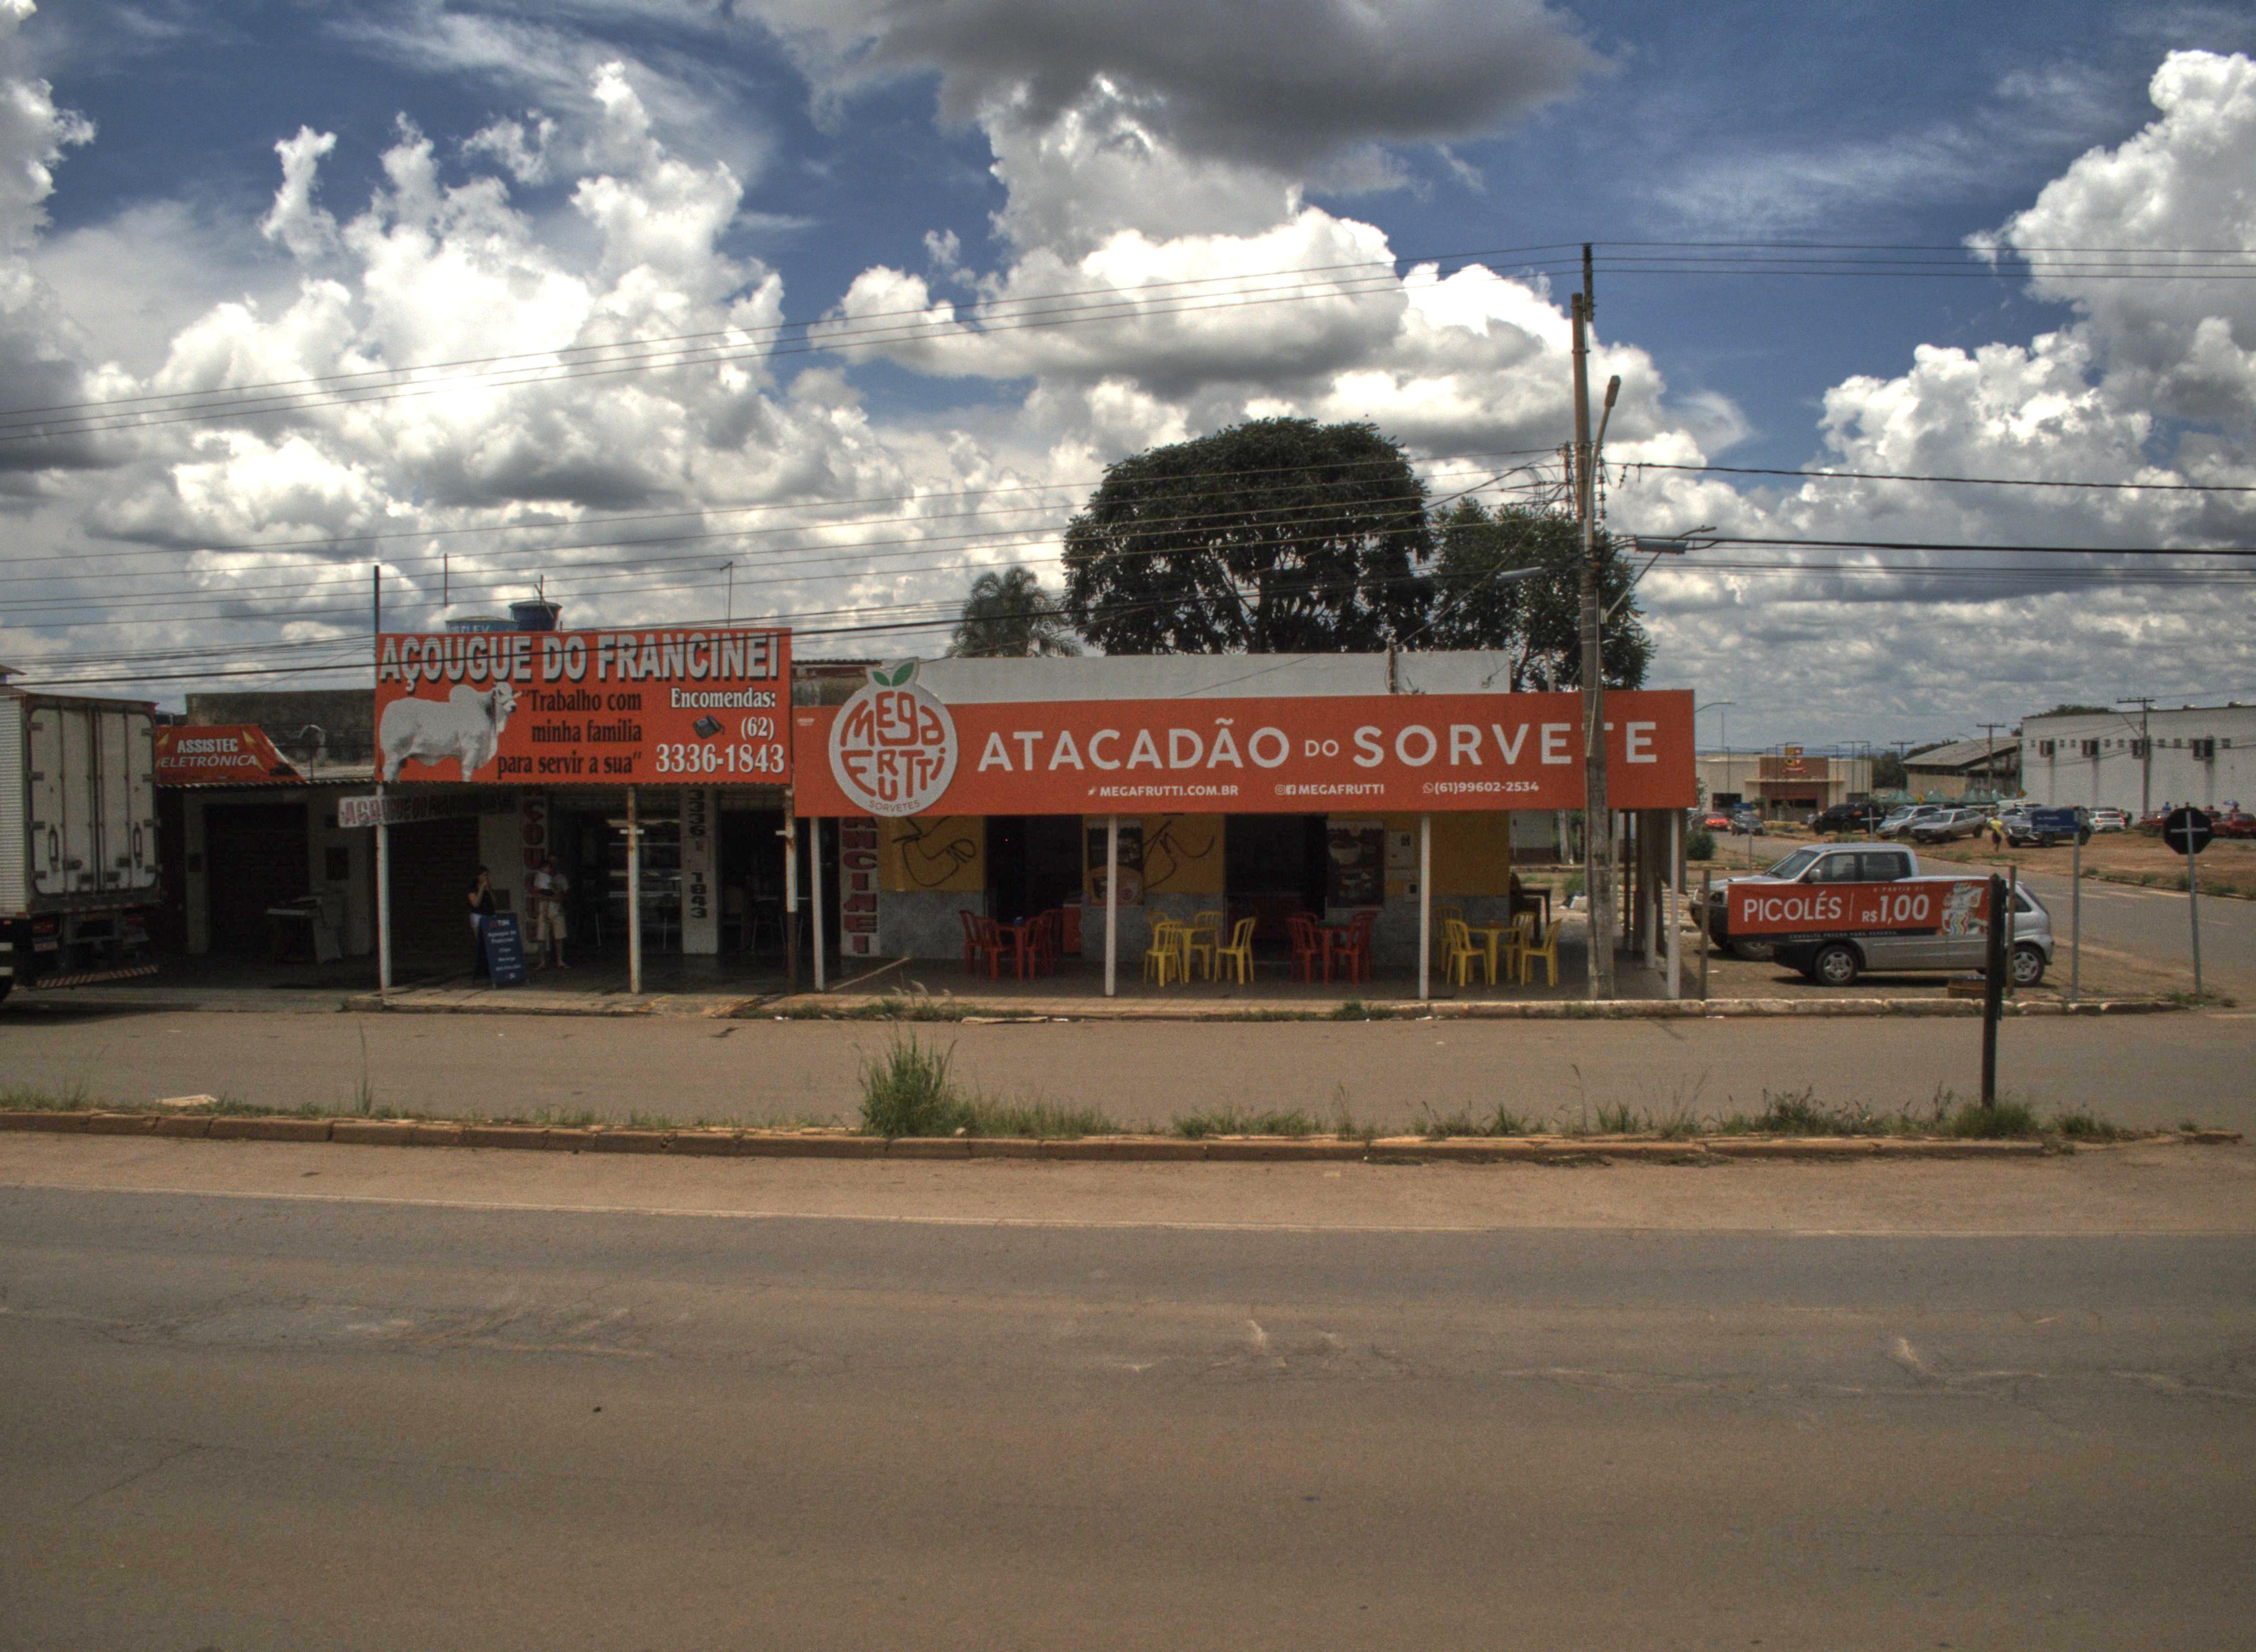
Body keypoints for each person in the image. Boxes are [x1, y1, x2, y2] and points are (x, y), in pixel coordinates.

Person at [531, 854, 570, 969]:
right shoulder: (540, 877)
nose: (552, 864)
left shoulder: (561, 878)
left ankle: (560, 961)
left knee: (559, 936)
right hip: (544, 908)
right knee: (541, 936)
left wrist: (557, 897)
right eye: (550, 862)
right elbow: (536, 893)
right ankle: (542, 962)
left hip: (557, 909)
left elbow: (566, 894)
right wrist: (549, 898)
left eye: (554, 862)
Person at [468, 865, 496, 979]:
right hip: (478, 917)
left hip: (490, 916)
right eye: (484, 875)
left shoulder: (488, 888)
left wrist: (489, 890)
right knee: (481, 943)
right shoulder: (473, 889)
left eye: (487, 875)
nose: (486, 878)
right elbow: (476, 904)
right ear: (478, 877)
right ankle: (482, 970)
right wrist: (481, 890)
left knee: (492, 943)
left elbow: (495, 903)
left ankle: (491, 968)